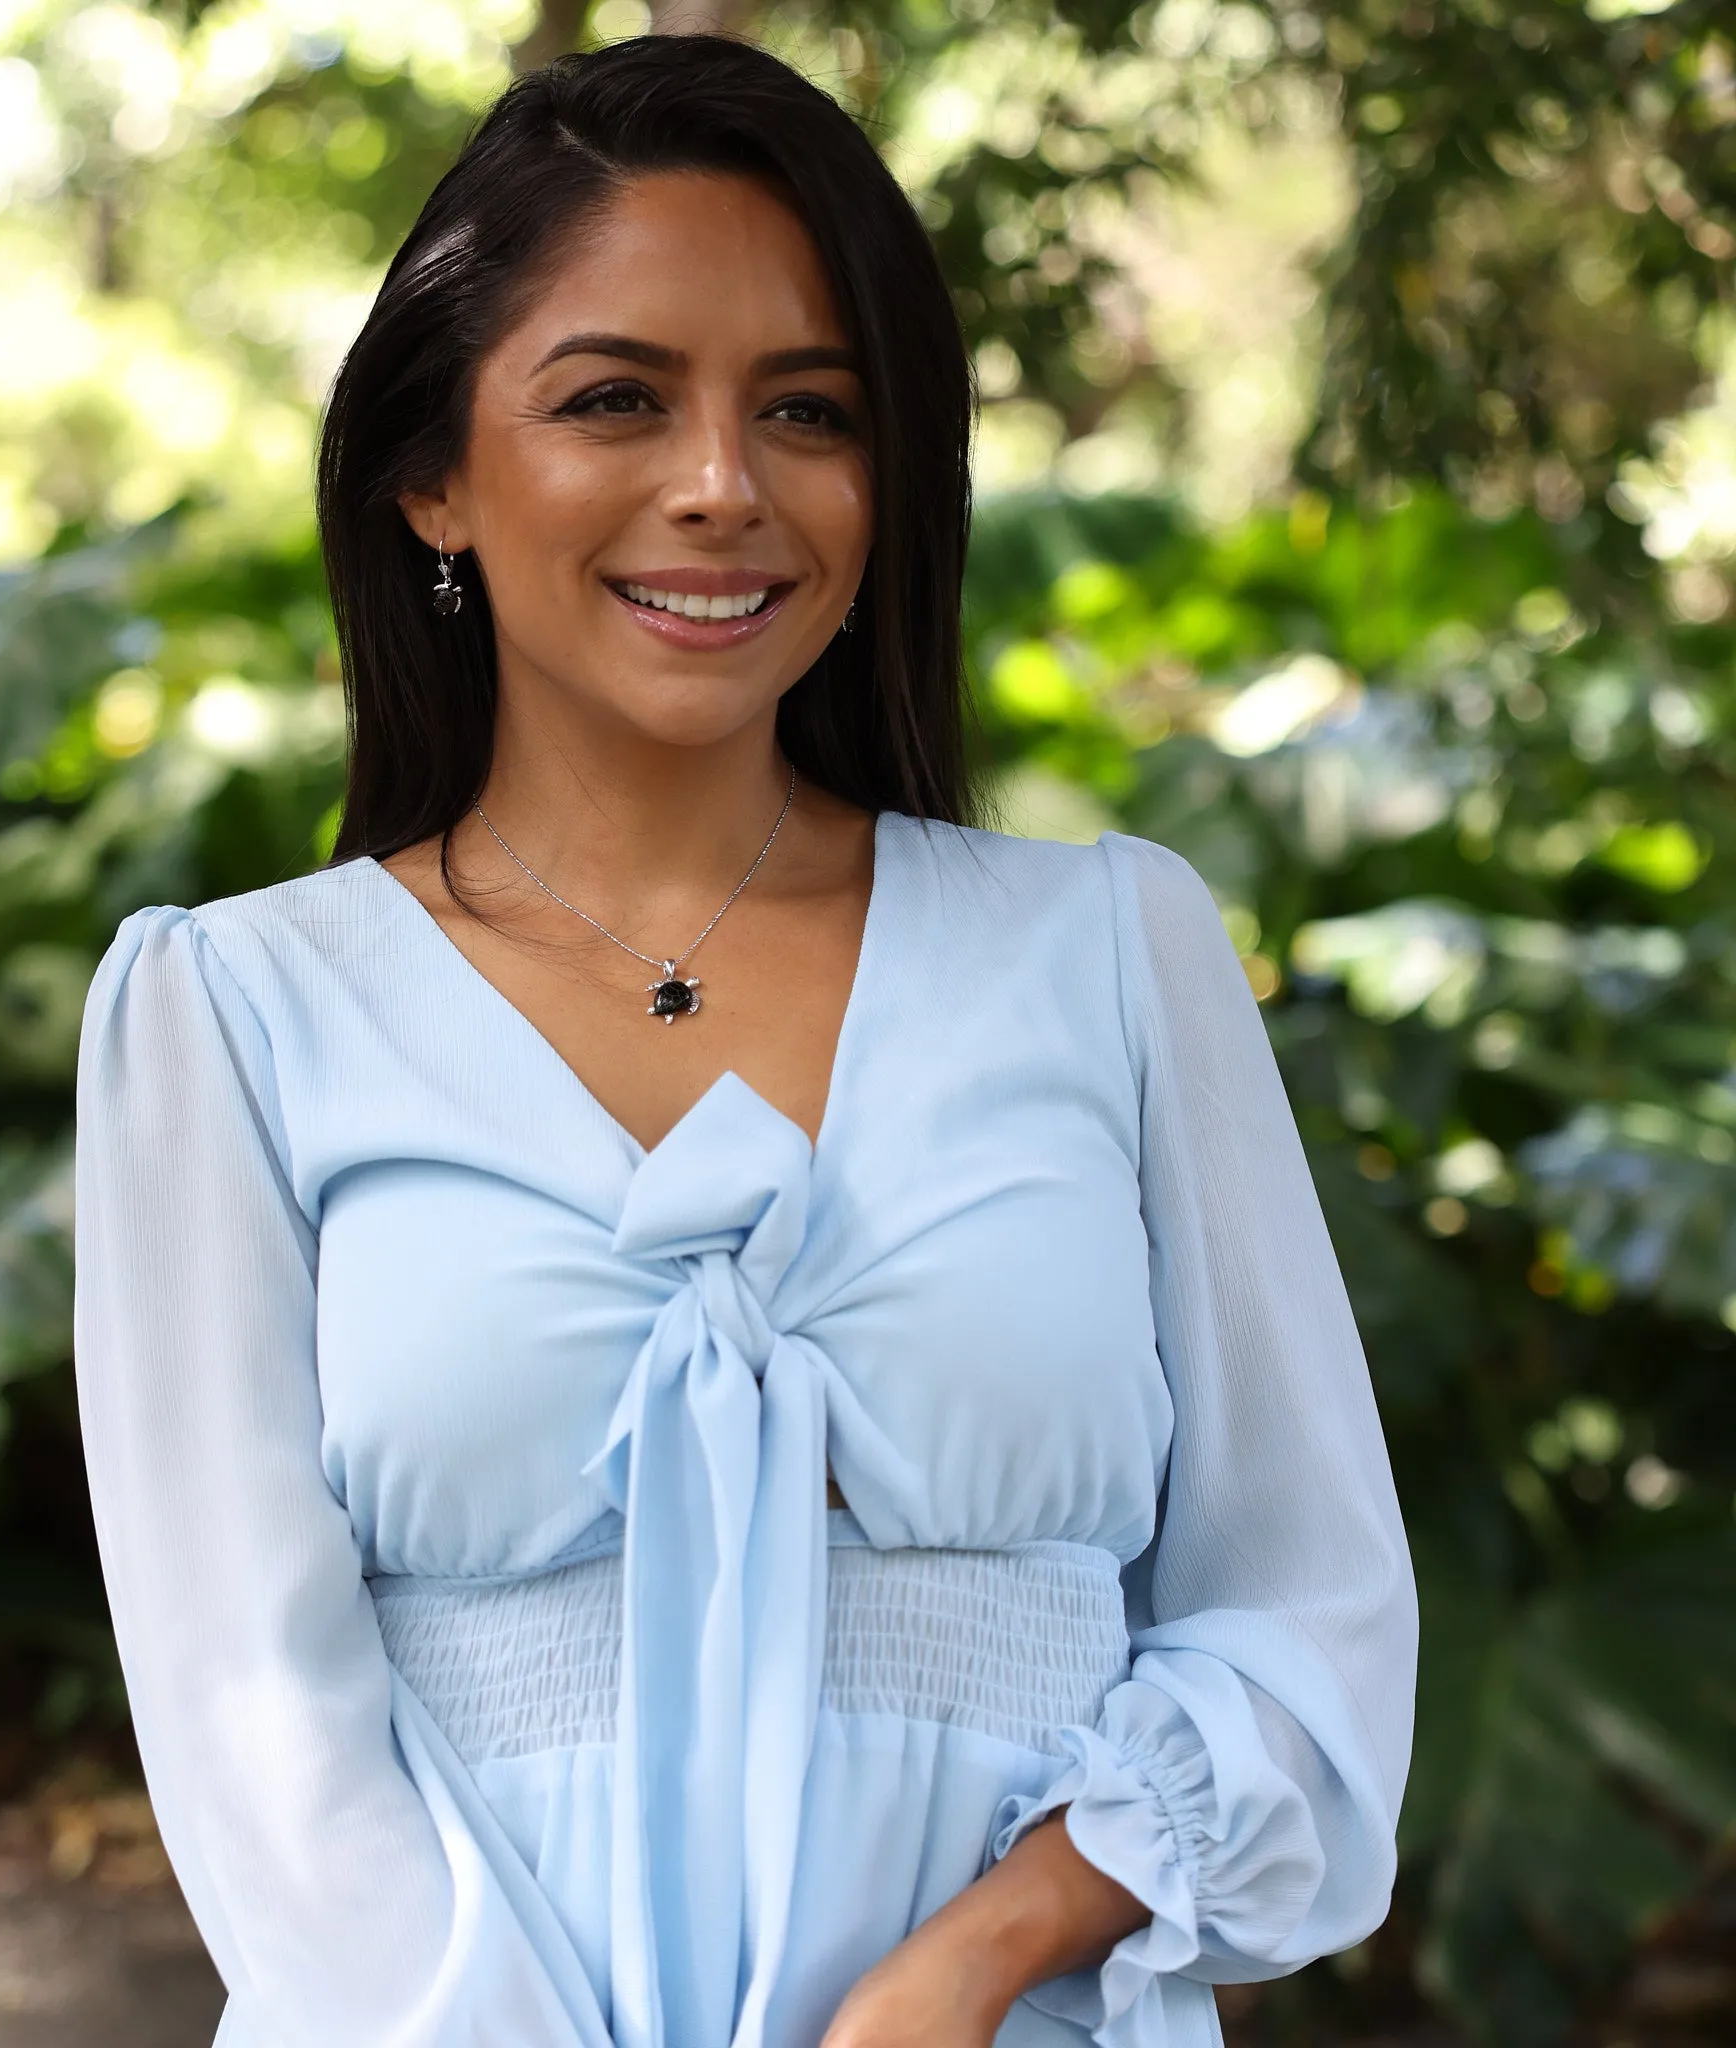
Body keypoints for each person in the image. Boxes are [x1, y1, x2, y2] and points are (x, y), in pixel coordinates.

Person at [72, 33, 1416, 2048]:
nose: (721, 486)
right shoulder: (237, 1016)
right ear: (430, 471)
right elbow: (257, 1727)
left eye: (808, 410)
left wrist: (964, 1969)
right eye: (615, 398)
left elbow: (1307, 1617)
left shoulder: (1108, 952)